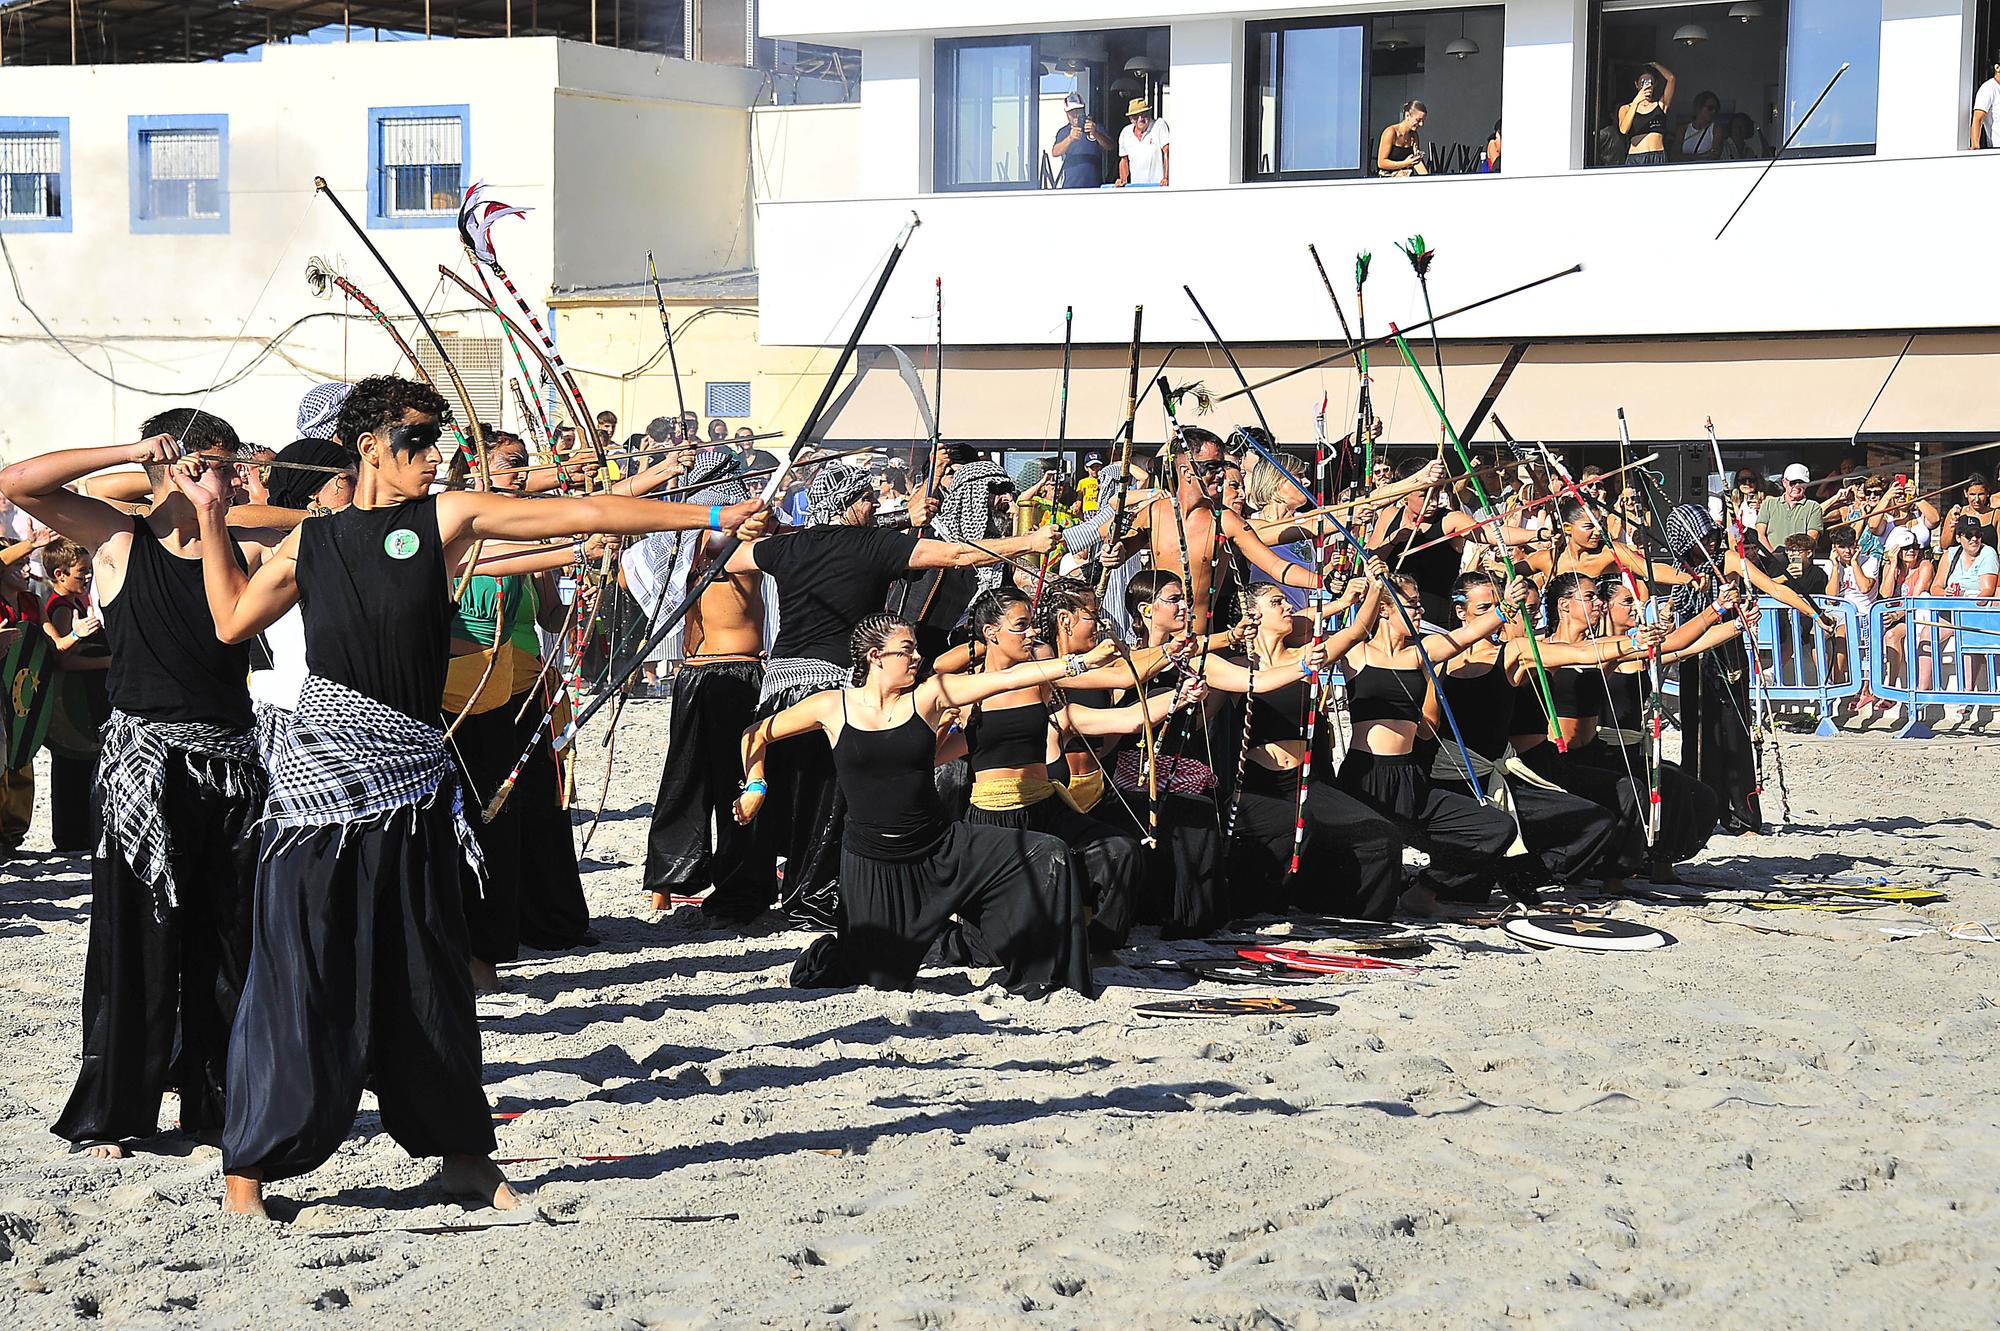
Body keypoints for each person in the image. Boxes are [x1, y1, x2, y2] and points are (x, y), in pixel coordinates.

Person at [177, 374, 767, 1218]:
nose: (436, 453)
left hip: (410, 792)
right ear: (370, 446)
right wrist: (206, 515)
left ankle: (462, 1158)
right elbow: (232, 619)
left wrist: (707, 517)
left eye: (440, 437)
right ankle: (249, 1175)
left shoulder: (445, 519)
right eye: (418, 438)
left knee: (429, 979)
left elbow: (586, 514)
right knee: (301, 972)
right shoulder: (312, 542)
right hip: (321, 797)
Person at [0, 411, 282, 1162]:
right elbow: (17, 482)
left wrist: (223, 504)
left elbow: (330, 520)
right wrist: (131, 453)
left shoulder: (243, 548)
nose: (232, 477)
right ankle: (115, 1113)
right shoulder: (118, 539)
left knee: (227, 942)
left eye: (231, 464)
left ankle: (217, 1103)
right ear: (181, 467)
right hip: (145, 771)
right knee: (138, 943)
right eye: (219, 464)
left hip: (228, 766)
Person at [709, 462, 1058, 929]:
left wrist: (761, 531)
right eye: (868, 499)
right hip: (835, 689)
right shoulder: (872, 545)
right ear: (850, 503)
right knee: (828, 800)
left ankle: (740, 895)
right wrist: (1026, 544)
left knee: (773, 790)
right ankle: (811, 894)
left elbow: (730, 560)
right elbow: (955, 556)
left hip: (779, 683)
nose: (875, 505)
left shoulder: (789, 545)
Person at [737, 614, 1111, 997]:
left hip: (939, 846)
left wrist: (1079, 662)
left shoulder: (929, 696)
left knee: (1046, 852)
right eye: (907, 650)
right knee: (881, 978)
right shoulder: (832, 706)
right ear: (875, 657)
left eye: (915, 648)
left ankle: (1040, 973)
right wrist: (755, 786)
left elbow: (1008, 678)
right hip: (872, 862)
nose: (917, 656)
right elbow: (755, 735)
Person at [642, 449, 778, 919]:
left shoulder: (686, 549)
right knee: (730, 779)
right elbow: (757, 541)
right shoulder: (721, 549)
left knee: (687, 778)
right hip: (729, 674)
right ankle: (734, 882)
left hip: (700, 675)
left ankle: (665, 885)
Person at [1662, 504, 1840, 833]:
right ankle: (1696, 806)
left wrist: (1814, 613)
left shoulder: (1729, 560)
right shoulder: (1679, 569)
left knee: (1733, 729)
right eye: (1702, 538)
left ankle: (1738, 809)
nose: (1711, 543)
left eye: (1712, 536)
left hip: (1726, 651)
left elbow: (1775, 587)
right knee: (1697, 731)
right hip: (1691, 652)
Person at [38, 537, 111, 852]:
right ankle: (70, 836)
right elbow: (64, 659)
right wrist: (109, 661)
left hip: (87, 696)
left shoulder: (78, 600)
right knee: (71, 767)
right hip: (73, 700)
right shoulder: (61, 607)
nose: (88, 578)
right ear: (60, 575)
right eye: (82, 573)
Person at [1754, 464, 1824, 573]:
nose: (1796, 486)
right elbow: (1760, 535)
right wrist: (1774, 557)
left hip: (1800, 565)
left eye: (1801, 482)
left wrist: (1795, 559)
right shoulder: (1769, 504)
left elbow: (1811, 538)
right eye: (1793, 482)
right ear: (1784, 482)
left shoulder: (1813, 507)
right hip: (1770, 563)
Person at [1050, 92, 1114, 189]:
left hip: (1094, 186)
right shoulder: (1064, 132)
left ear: (1084, 110)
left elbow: (1110, 146)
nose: (1076, 114)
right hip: (1070, 187)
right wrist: (1070, 138)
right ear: (1067, 113)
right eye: (1072, 111)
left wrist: (1095, 133)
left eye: (1078, 110)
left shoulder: (1095, 127)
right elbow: (1055, 152)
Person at [1619, 63, 1676, 166]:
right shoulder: (1626, 108)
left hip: (1658, 155)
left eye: (1650, 82)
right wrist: (1636, 102)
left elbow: (1671, 79)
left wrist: (1655, 65)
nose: (1647, 86)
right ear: (1637, 84)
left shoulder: (1660, 105)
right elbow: (1623, 129)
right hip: (1637, 157)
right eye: (1643, 82)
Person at [1116, 98, 1170, 188]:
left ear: (1149, 114)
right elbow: (1124, 160)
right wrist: (1123, 180)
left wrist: (1166, 178)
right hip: (1136, 188)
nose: (1140, 119)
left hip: (1158, 187)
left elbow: (1167, 152)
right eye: (1136, 116)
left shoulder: (1159, 125)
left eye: (1144, 114)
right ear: (1131, 119)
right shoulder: (1125, 132)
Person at [1377, 101, 1429, 177]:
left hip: (1406, 179)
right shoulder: (1391, 132)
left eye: (1423, 121)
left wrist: (1428, 179)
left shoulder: (1414, 135)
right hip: (1387, 180)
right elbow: (1381, 163)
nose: (1421, 124)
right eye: (1418, 120)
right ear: (1407, 115)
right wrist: (1405, 163)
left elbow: (1416, 163)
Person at [1681, 90, 1723, 161]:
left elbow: (1715, 155)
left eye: (1716, 109)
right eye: (1710, 108)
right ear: (1699, 108)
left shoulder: (1716, 130)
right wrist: (1701, 156)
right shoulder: (1683, 129)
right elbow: (1674, 156)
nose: (1714, 111)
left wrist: (1686, 157)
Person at [1972, 53, 2000, 150]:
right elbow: (1977, 119)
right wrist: (1975, 146)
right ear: (1997, 67)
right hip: (1996, 151)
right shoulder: (1989, 88)